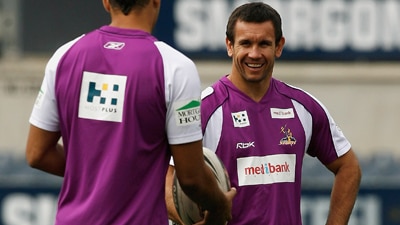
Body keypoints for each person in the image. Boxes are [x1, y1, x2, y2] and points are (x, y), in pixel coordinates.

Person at [25, 0, 235, 224]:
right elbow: (191, 177)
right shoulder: (176, 68)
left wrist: (97, 174)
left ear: (106, 2)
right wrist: (220, 206)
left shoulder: (64, 56)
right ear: (156, 1)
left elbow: (37, 153)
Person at [167, 2, 361, 225]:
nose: (254, 53)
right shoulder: (205, 108)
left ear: (279, 46)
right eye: (245, 43)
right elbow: (166, 180)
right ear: (229, 45)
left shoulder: (302, 106)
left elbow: (348, 167)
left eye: (264, 44)